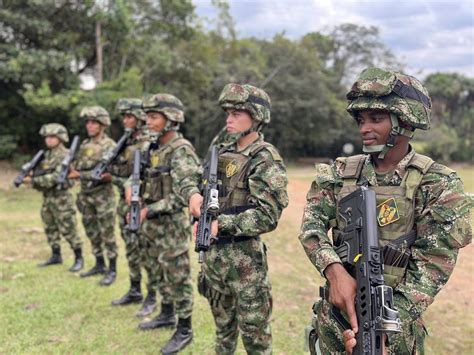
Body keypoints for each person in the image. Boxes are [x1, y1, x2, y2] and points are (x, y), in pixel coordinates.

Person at [299, 67, 472, 354]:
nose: (364, 127)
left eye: (376, 118)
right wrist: (334, 272)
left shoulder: (437, 184)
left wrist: (385, 328)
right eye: (361, 119)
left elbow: (432, 266)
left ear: (406, 121)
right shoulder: (339, 173)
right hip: (334, 321)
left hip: (393, 329)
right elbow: (311, 226)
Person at [188, 83, 289, 354]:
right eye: (228, 112)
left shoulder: (264, 158)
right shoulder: (219, 151)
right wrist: (193, 197)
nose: (228, 119)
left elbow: (268, 214)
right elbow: (194, 180)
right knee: (223, 335)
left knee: (256, 340)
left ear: (256, 116)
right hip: (213, 259)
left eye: (237, 113)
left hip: (245, 266)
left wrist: (224, 224)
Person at [125, 93, 200, 354]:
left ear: (172, 119)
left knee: (177, 277)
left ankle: (185, 328)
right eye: (147, 116)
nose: (148, 121)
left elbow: (185, 195)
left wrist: (149, 209)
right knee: (159, 272)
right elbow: (139, 177)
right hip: (152, 226)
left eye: (154, 116)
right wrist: (129, 190)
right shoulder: (152, 148)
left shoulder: (181, 151)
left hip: (171, 227)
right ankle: (166, 314)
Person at [109, 98, 158, 317]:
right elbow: (121, 173)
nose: (125, 120)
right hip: (124, 202)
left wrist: (115, 179)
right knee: (131, 249)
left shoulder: (148, 143)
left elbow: (143, 177)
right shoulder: (126, 142)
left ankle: (152, 295)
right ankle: (135, 288)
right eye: (124, 117)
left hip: (142, 204)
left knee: (146, 252)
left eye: (129, 116)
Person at [68, 106, 119, 286]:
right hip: (85, 196)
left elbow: (111, 174)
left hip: (103, 197)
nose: (89, 126)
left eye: (93, 122)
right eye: (88, 122)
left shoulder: (110, 146)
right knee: (91, 231)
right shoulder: (84, 145)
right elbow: (78, 169)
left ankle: (112, 269)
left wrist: (80, 175)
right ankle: (99, 264)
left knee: (107, 234)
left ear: (103, 124)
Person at [24, 123, 83, 271]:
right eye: (46, 137)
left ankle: (78, 257)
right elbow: (42, 174)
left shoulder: (66, 155)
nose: (48, 140)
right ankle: (56, 255)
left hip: (62, 197)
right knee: (50, 227)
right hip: (48, 197)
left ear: (61, 138)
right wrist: (32, 175)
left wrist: (33, 181)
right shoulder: (46, 155)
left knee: (68, 228)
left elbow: (56, 177)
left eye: (52, 137)